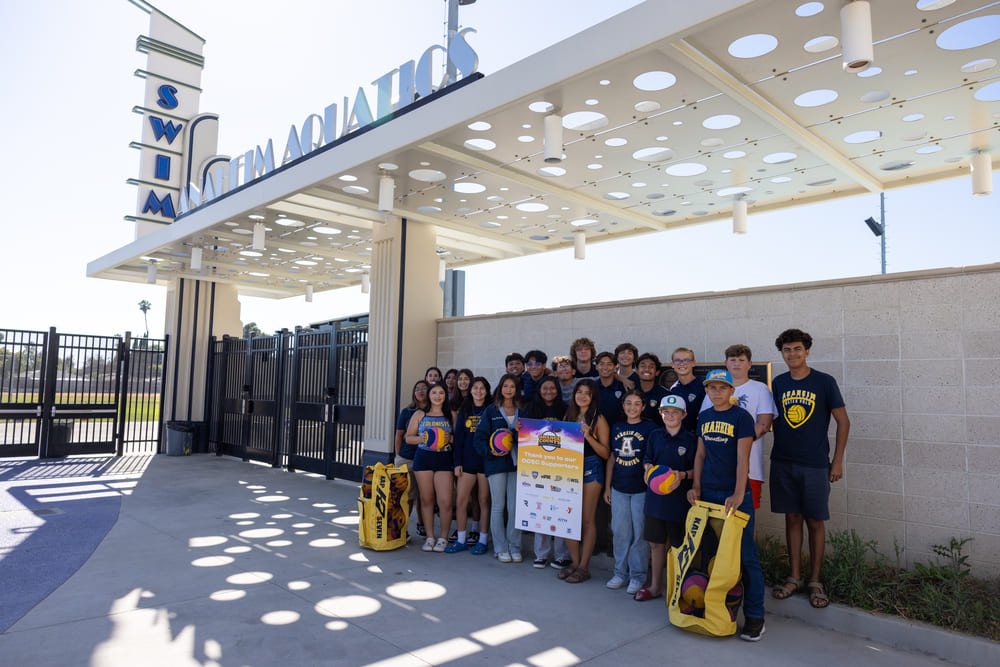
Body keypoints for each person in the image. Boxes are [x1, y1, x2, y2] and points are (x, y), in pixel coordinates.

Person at [769, 329, 850, 611]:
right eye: (787, 350)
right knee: (792, 519)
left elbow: (843, 422)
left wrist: (837, 461)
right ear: (782, 354)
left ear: (807, 351)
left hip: (815, 464)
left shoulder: (824, 382)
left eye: (798, 349)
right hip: (783, 462)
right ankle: (794, 577)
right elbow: (776, 420)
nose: (793, 354)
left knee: (815, 521)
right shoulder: (778, 383)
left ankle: (815, 580)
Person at [687, 369, 766, 642]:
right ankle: (713, 609)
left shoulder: (741, 417)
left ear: (732, 391)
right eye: (712, 387)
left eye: (722, 387)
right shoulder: (704, 416)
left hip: (734, 497)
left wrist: (738, 492)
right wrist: (696, 486)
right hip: (708, 493)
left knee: (745, 556)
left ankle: (755, 617)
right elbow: (700, 454)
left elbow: (744, 457)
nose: (716, 392)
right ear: (706, 390)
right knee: (710, 555)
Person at [699, 345, 777, 513]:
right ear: (726, 363)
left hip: (750, 467)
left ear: (749, 364)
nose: (736, 364)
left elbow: (763, 425)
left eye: (741, 360)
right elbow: (705, 428)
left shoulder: (760, 389)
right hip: (715, 472)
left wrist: (729, 444)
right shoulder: (713, 392)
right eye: (732, 360)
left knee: (744, 518)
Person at [634, 394, 695, 602]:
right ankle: (656, 586)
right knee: (655, 544)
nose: (670, 416)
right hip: (655, 500)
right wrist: (647, 469)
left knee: (678, 546)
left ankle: (679, 589)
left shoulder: (690, 440)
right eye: (666, 412)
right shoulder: (655, 435)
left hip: (678, 502)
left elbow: (698, 469)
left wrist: (682, 475)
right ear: (660, 413)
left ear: (683, 415)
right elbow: (647, 459)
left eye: (675, 412)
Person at [604, 390, 655, 594]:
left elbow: (652, 457)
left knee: (639, 534)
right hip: (619, 487)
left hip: (641, 489)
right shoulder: (617, 427)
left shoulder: (650, 428)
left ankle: (638, 576)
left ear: (643, 407)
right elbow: (612, 458)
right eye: (628, 403)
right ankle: (620, 573)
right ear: (623, 405)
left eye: (636, 404)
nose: (632, 408)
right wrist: (607, 486)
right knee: (620, 532)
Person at [559, 379, 610, 584]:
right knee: (567, 519)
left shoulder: (599, 419)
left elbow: (606, 453)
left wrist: (589, 436)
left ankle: (584, 566)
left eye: (587, 393)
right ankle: (575, 563)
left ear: (593, 396)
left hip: (591, 467)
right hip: (569, 467)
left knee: (587, 520)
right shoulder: (568, 415)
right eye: (579, 392)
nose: (582, 396)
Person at [473, 374, 524, 563]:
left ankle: (514, 546)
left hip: (518, 464)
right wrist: (491, 452)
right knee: (498, 506)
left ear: (517, 389)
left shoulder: (523, 410)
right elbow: (479, 439)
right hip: (496, 464)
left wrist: (520, 432)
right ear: (500, 388)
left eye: (512, 386)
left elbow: (530, 438)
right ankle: (500, 547)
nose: (509, 389)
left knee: (515, 507)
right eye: (505, 386)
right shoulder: (490, 410)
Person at [522, 376, 571, 569]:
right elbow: (524, 434)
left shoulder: (565, 409)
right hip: (538, 466)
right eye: (545, 388)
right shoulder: (530, 408)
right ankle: (541, 554)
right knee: (540, 510)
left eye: (552, 388)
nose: (549, 391)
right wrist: (518, 428)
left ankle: (561, 555)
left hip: (562, 466)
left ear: (557, 390)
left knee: (561, 510)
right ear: (539, 390)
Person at [405, 382, 455, 552]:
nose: (437, 396)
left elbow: (459, 440)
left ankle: (443, 538)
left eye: (441, 392)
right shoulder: (420, 414)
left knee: (446, 502)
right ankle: (430, 537)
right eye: (434, 392)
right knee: (426, 500)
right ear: (429, 395)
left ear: (445, 395)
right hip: (424, 459)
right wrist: (422, 439)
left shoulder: (451, 415)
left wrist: (449, 439)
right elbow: (408, 437)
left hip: (444, 460)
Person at [449, 377, 492, 554]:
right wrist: (457, 462)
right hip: (467, 461)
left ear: (487, 391)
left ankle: (482, 540)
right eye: (476, 388)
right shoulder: (465, 409)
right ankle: (461, 540)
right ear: (471, 390)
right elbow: (458, 437)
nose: (479, 391)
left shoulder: (491, 409)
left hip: (485, 462)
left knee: (483, 501)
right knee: (460, 501)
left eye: (482, 388)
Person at [395, 380, 429, 536]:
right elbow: (399, 434)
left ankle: (421, 524)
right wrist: (398, 455)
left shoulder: (433, 411)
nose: (421, 391)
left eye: (424, 388)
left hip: (426, 458)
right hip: (407, 457)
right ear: (413, 393)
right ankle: (403, 529)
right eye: (417, 389)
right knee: (407, 496)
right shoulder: (407, 412)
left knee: (423, 496)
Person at [669, 347, 705, 434]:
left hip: (698, 438)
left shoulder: (703, 387)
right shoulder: (673, 389)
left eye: (686, 360)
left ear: (693, 363)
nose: (682, 364)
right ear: (672, 364)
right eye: (677, 361)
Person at [636, 353, 669, 422]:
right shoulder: (630, 392)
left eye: (651, 367)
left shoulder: (665, 395)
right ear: (637, 370)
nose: (646, 369)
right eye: (643, 366)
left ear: (657, 372)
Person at [595, 351, 626, 426]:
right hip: (596, 429)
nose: (605, 367)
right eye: (601, 364)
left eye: (609, 364)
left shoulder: (623, 387)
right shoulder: (592, 387)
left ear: (615, 367)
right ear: (596, 367)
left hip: (618, 429)